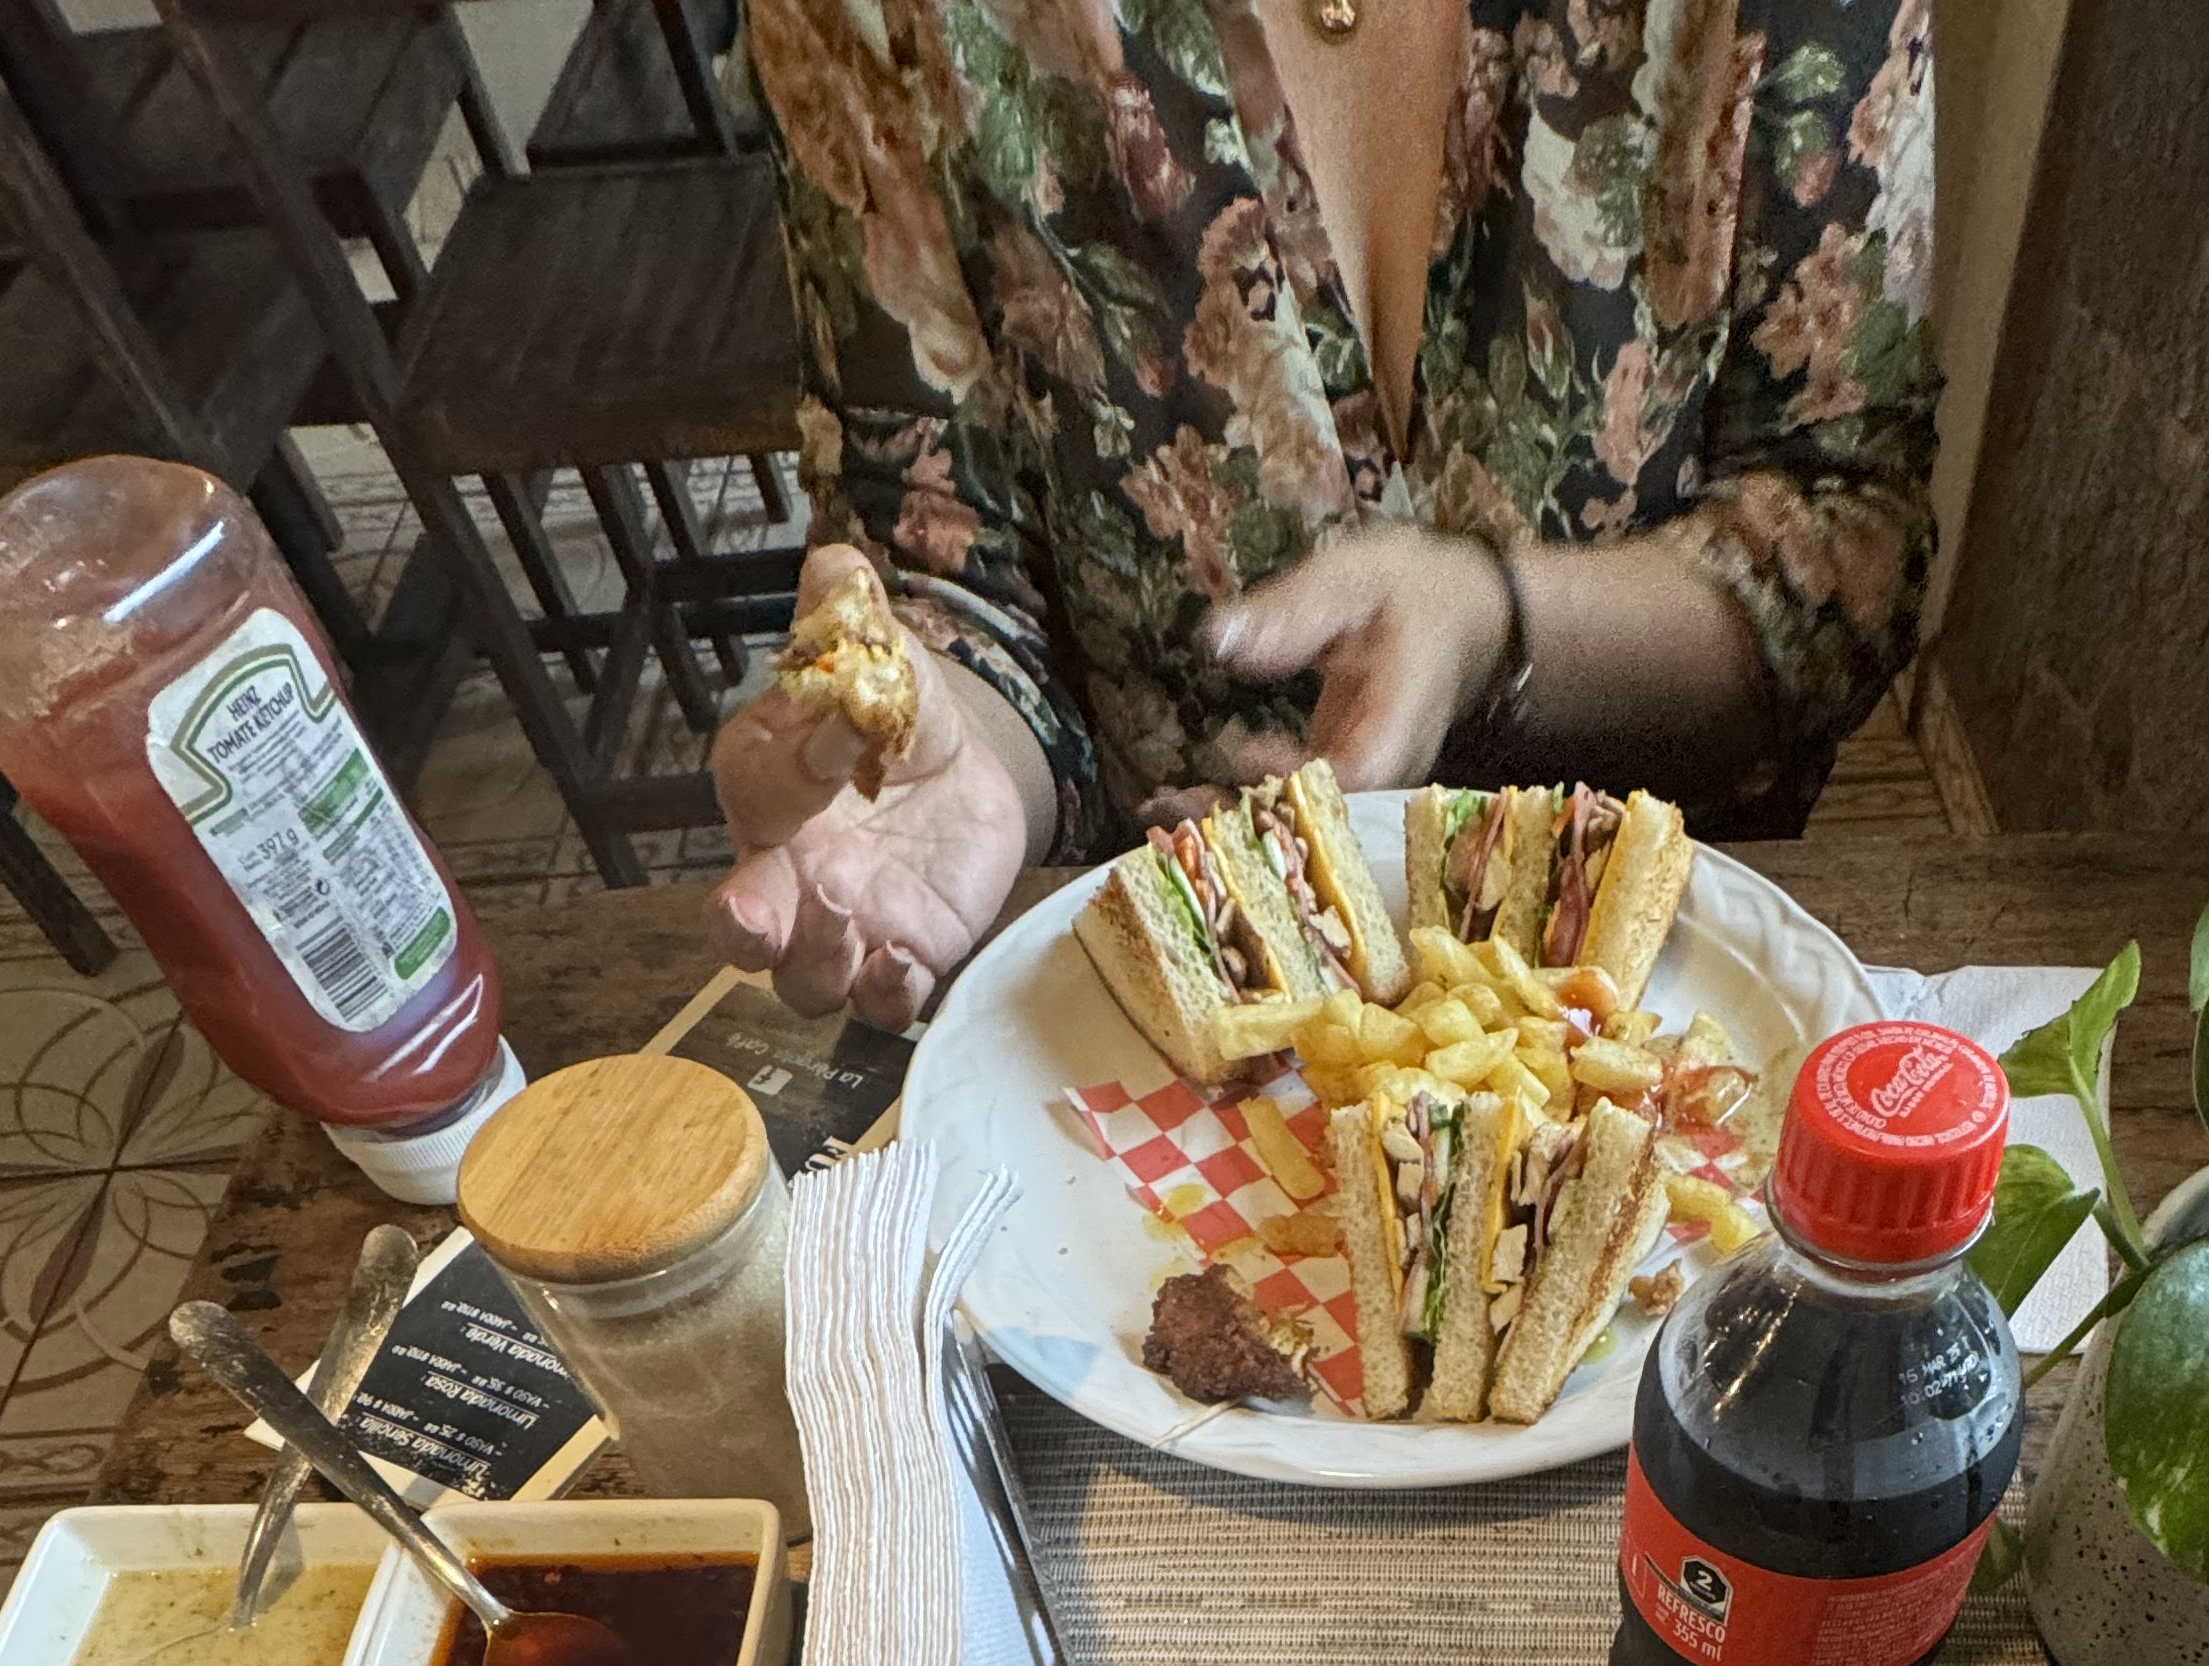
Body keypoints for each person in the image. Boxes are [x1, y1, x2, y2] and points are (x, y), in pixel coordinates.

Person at [713, 0, 1941, 1028]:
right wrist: (951, 746)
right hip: (1175, 1055)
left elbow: (1845, 529)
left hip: (1685, 1016)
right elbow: (944, 553)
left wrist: (1491, 620)